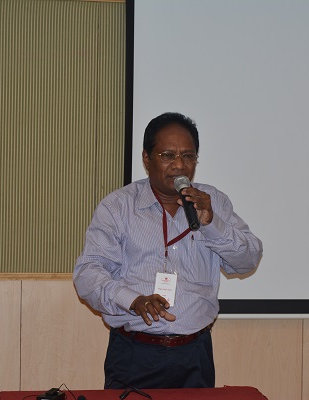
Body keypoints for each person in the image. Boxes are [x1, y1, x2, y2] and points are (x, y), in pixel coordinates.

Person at [73, 112, 263, 389]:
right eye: (167, 156)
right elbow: (88, 274)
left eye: (188, 156)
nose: (179, 165)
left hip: (195, 354)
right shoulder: (118, 207)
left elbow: (247, 260)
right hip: (134, 353)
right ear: (146, 158)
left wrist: (211, 223)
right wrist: (132, 300)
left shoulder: (213, 202)